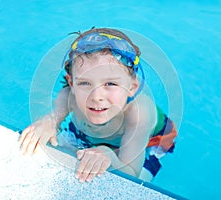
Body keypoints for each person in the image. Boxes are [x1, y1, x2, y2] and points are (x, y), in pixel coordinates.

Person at [19, 28, 177, 183]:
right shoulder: (68, 96)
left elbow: (131, 174)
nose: (96, 96)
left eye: (110, 83)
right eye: (85, 83)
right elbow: (52, 120)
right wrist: (49, 123)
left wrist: (109, 156)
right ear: (71, 83)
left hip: (152, 142)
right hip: (91, 136)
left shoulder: (140, 113)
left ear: (132, 87)